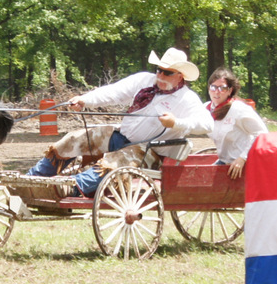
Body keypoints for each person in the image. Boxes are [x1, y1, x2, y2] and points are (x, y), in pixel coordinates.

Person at [27, 47, 213, 196]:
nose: (161, 76)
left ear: (180, 75)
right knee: (75, 138)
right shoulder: (144, 81)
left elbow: (206, 124)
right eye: (159, 70)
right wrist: (85, 99)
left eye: (167, 73)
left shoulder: (187, 99)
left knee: (112, 164)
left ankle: (65, 189)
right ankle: (30, 179)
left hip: (149, 152)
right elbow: (113, 92)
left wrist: (176, 123)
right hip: (120, 136)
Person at [205, 67, 268, 179]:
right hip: (225, 163)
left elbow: (262, 133)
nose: (216, 92)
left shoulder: (238, 109)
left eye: (222, 88)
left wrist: (242, 158)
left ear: (230, 90)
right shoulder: (205, 109)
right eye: (213, 87)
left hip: (244, 165)